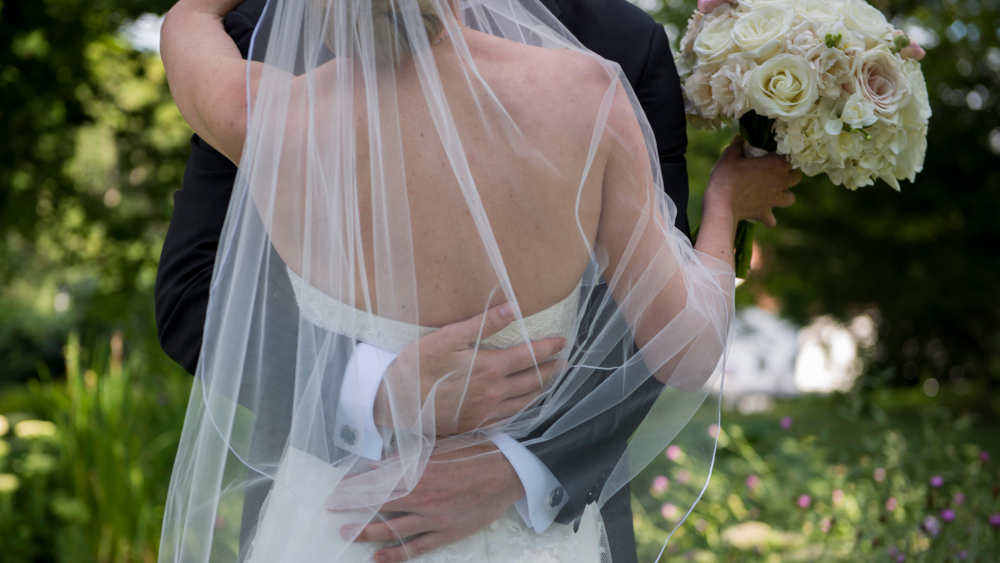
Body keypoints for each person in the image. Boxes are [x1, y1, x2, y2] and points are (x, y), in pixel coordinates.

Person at [156, 0, 799, 561]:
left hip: (336, 527)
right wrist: (724, 212)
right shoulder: (586, 97)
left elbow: (186, 17)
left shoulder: (263, 114)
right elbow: (685, 352)